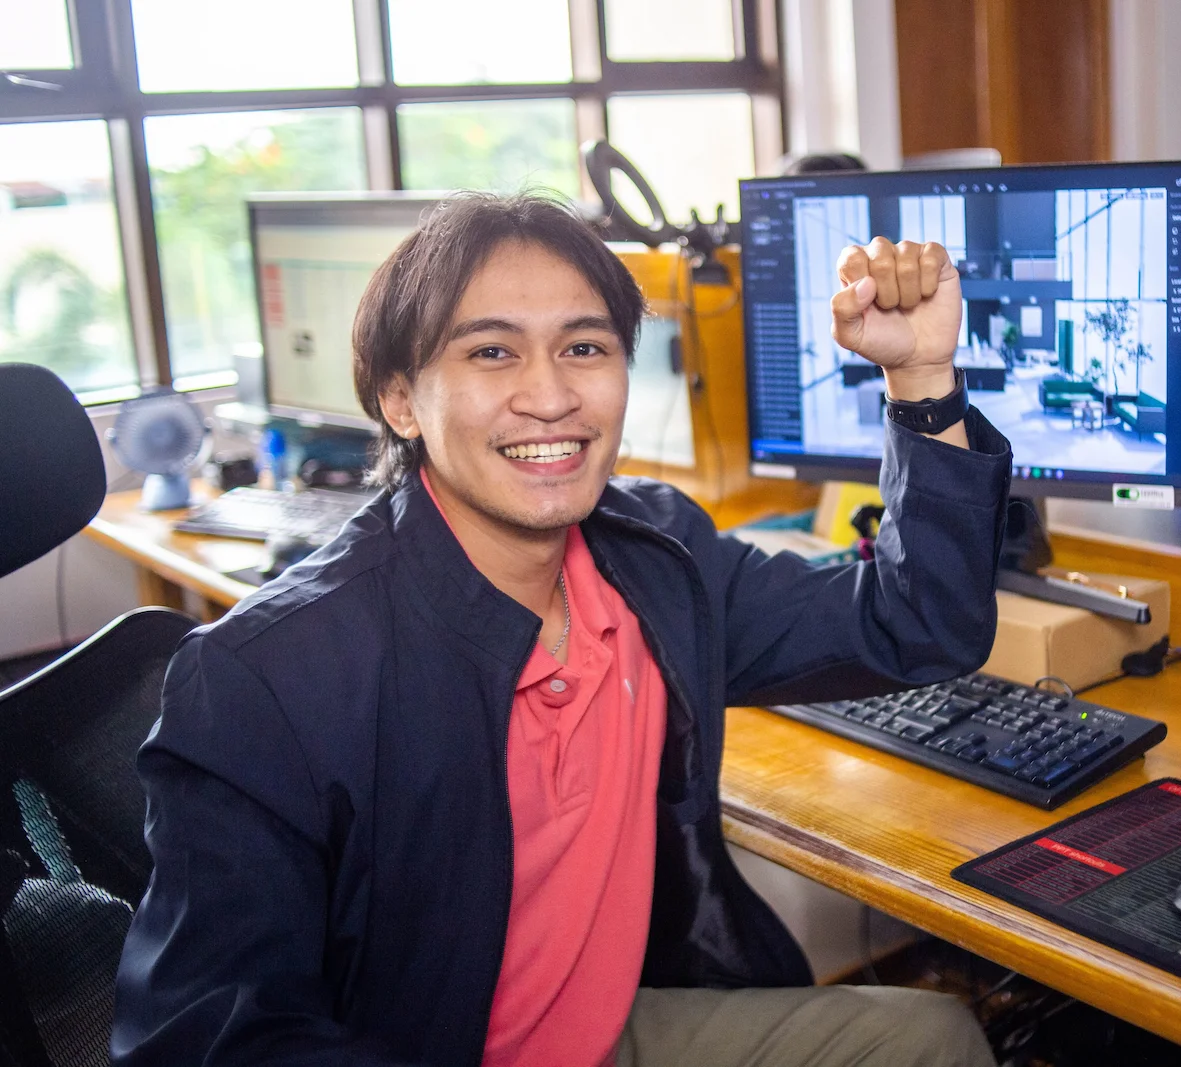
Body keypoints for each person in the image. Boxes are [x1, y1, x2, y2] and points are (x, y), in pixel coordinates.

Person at [112, 192, 1013, 1067]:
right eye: (492, 353)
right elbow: (206, 1038)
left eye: (584, 347)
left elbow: (915, 621)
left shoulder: (659, 559)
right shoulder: (265, 679)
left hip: (603, 1031)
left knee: (933, 1037)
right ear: (400, 400)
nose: (550, 397)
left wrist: (923, 381)